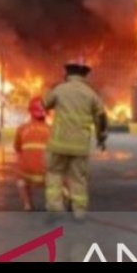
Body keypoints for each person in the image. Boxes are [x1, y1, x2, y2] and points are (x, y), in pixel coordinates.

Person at [43, 59, 107, 222]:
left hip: (58, 143)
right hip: (80, 145)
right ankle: (79, 213)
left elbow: (45, 103)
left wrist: (53, 90)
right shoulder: (91, 94)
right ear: (85, 75)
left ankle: (56, 208)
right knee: (78, 178)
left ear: (67, 73)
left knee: (54, 174)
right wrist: (101, 138)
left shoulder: (60, 89)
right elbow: (101, 118)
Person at [14, 96, 51, 211]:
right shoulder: (52, 129)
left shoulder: (21, 128)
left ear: (30, 112)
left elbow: (17, 148)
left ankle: (27, 204)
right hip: (47, 174)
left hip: (27, 172)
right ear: (46, 113)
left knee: (20, 178)